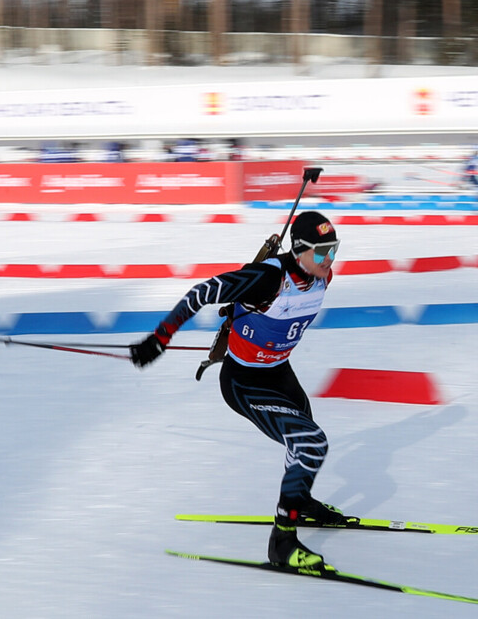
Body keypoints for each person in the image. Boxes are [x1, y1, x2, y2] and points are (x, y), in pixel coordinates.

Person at [129, 211, 352, 570]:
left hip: (280, 375)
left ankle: (302, 502)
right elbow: (202, 292)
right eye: (322, 252)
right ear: (298, 250)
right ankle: (282, 542)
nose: (330, 260)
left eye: (334, 250)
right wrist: (160, 338)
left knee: (302, 441)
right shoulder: (268, 278)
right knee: (312, 442)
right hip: (244, 381)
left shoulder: (320, 277)